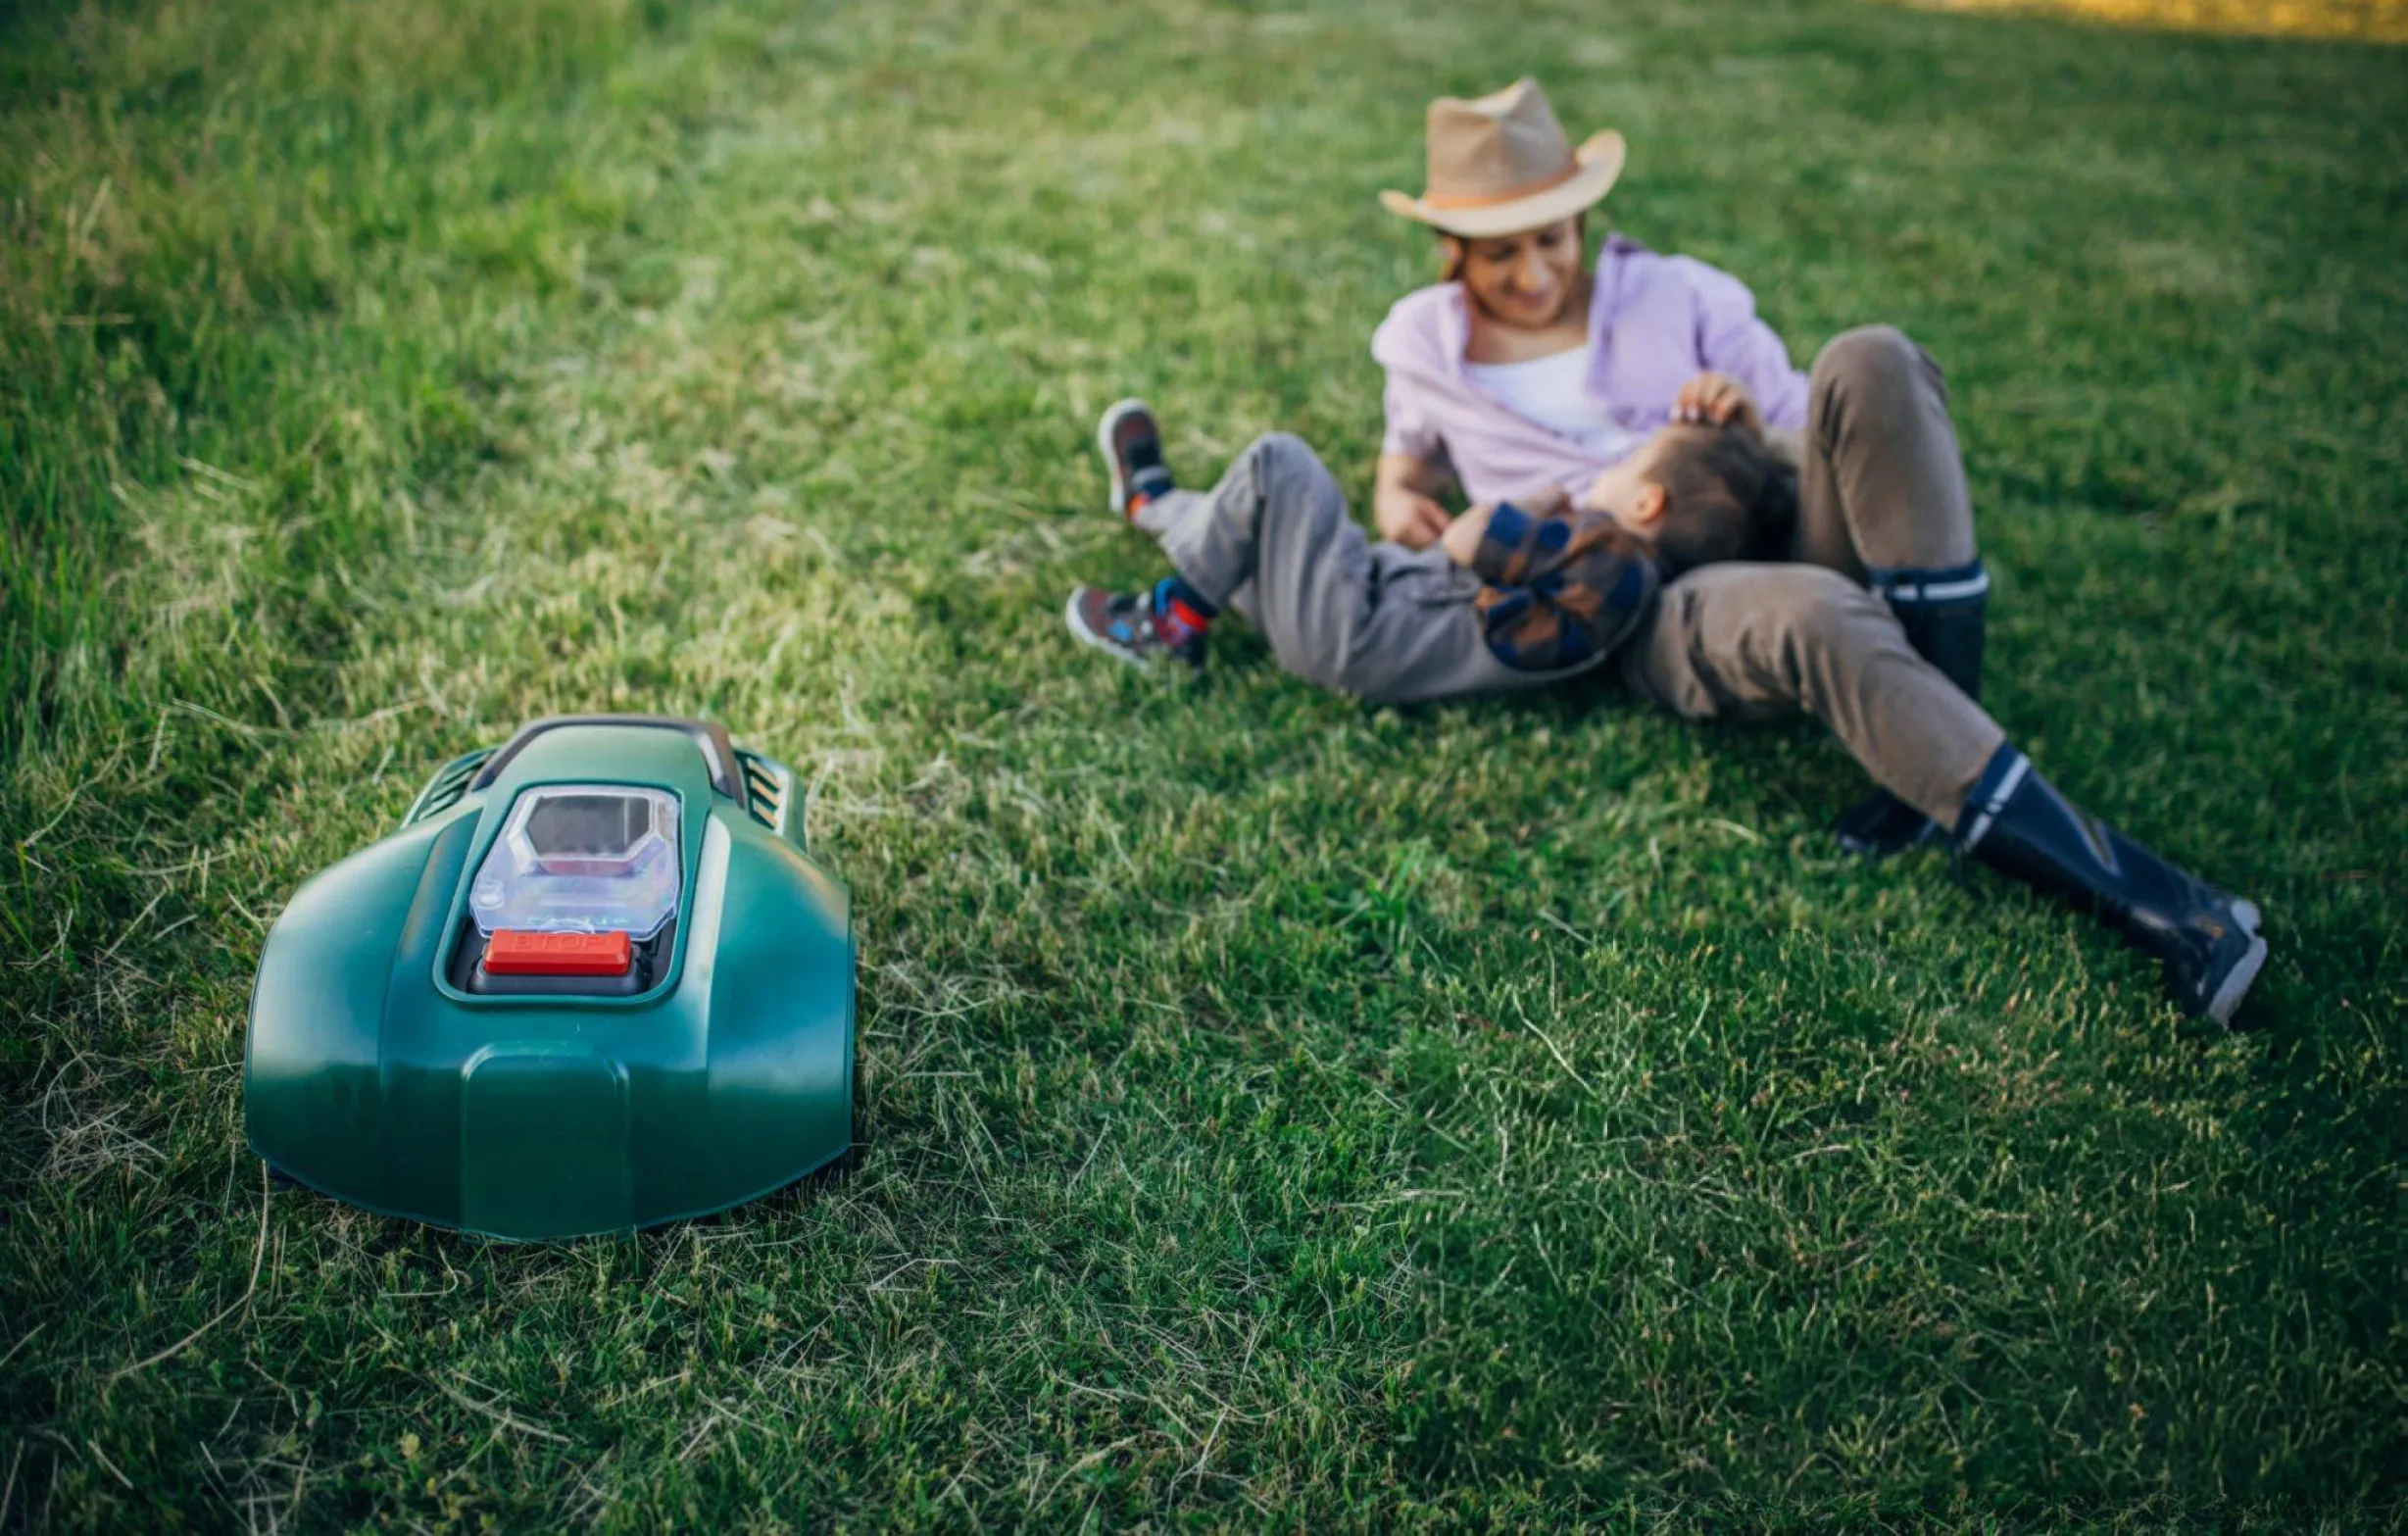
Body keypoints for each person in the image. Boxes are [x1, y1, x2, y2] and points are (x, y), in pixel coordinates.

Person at [1059, 78, 2266, 1026]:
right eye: (1503, 251)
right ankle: (2143, 896)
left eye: (1557, 236)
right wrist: (1400, 490)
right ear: (1454, 256)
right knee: (1809, 616)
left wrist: (1750, 431)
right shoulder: (1422, 342)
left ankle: (1936, 751)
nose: (1537, 270)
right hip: (1639, 598)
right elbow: (1408, 464)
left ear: (1584, 217)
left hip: (1765, 508)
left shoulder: (1682, 293)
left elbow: (1824, 441)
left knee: (1876, 357)